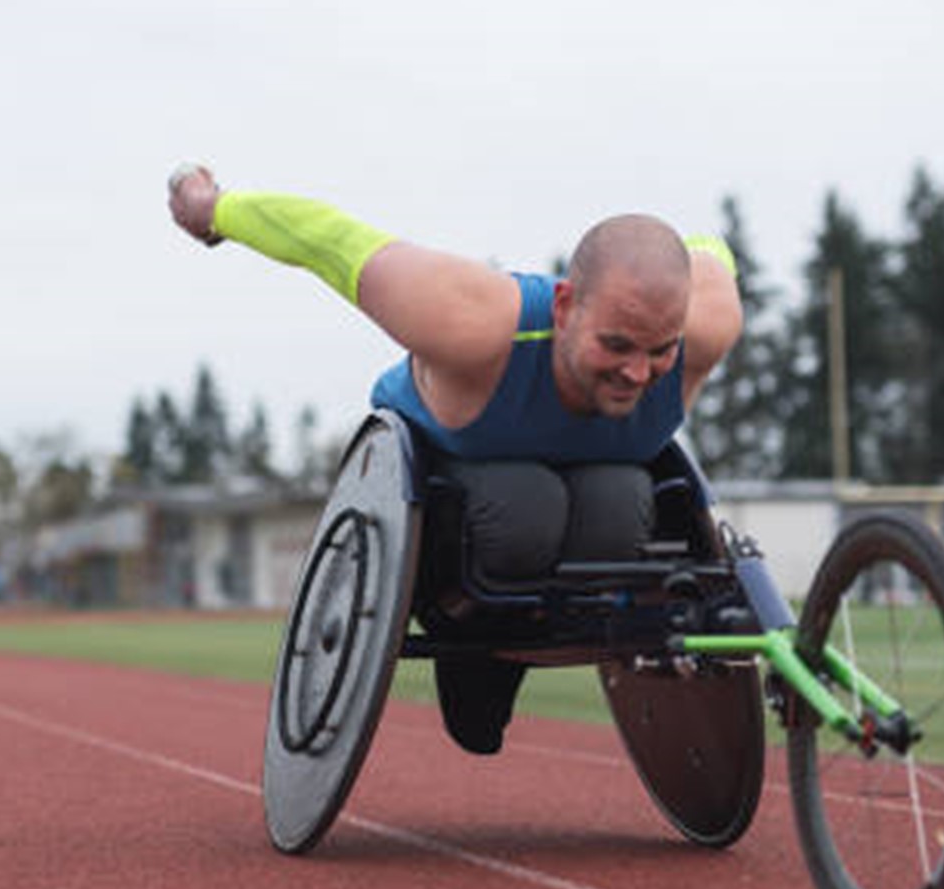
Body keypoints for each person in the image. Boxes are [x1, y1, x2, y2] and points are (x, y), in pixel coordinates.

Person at [168, 163, 744, 751]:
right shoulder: (473, 321)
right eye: (616, 345)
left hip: (593, 512)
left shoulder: (708, 324)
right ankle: (475, 647)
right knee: (527, 502)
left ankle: (514, 647)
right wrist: (214, 208)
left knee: (622, 500)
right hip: (456, 498)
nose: (637, 372)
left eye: (659, 350)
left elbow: (708, 249)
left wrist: (664, 253)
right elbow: (331, 241)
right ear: (566, 308)